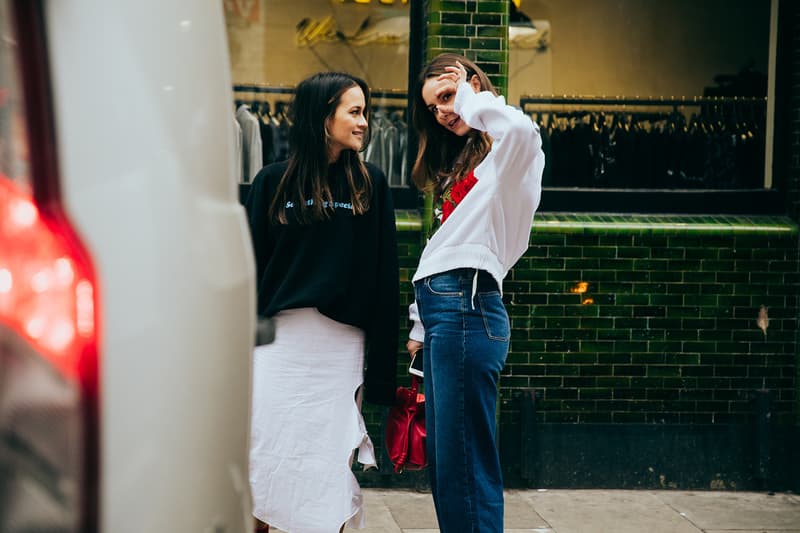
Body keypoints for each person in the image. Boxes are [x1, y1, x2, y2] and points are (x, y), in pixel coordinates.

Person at [245, 71, 400, 533]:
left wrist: (381, 383)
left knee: (329, 464)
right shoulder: (271, 182)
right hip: (277, 348)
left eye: (365, 112)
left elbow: (383, 279)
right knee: (264, 456)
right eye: (354, 111)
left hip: (339, 350)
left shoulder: (370, 185)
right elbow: (250, 271)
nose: (364, 123)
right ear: (322, 115)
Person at [405, 53, 544, 532]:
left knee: (466, 463)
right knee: (448, 466)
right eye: (435, 107)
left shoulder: (511, 155)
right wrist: (419, 325)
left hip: (468, 307)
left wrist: (469, 98)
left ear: (472, 86)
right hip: (446, 312)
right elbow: (442, 244)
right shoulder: (465, 166)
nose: (443, 112)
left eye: (446, 97)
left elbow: (523, 130)